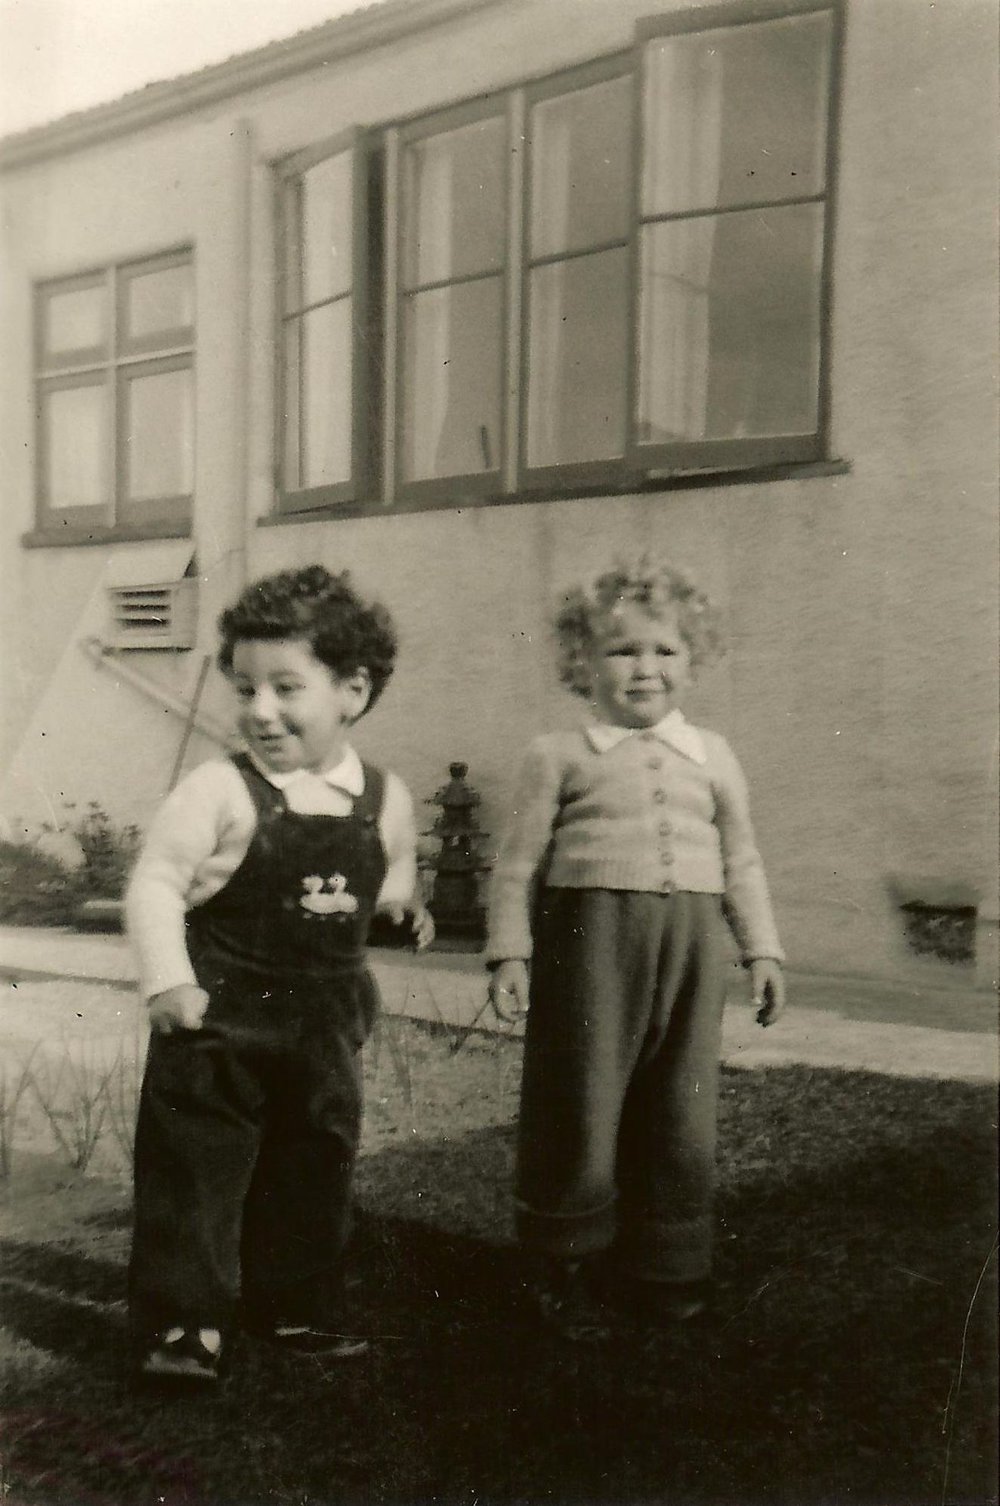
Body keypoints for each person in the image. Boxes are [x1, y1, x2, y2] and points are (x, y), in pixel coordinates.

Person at [125, 564, 433, 1384]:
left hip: (323, 1030)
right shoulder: (220, 790)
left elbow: (390, 875)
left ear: (352, 691)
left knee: (313, 1165)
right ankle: (183, 1324)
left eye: (286, 688)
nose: (260, 710)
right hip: (216, 1028)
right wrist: (167, 980)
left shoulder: (383, 798)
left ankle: (293, 1306)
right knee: (196, 1174)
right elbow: (155, 883)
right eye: (245, 689)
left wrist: (398, 911)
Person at [486, 555, 785, 1335]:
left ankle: (667, 1263)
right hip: (590, 947)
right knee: (579, 1099)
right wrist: (510, 951)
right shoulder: (558, 754)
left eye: (665, 650)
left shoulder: (713, 754)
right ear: (581, 663)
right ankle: (564, 1258)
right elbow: (517, 865)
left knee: (683, 1106)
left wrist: (762, 951)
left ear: (694, 658)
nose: (645, 668)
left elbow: (742, 860)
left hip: (691, 949)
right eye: (622, 651)